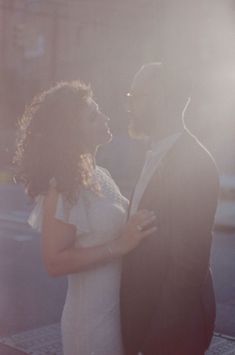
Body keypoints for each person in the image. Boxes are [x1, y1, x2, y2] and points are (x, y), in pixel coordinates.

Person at [13, 81, 157, 355]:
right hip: (92, 324)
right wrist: (120, 245)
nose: (104, 117)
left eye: (99, 110)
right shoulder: (64, 184)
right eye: (92, 116)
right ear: (73, 132)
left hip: (118, 315)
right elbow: (54, 261)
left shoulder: (100, 174)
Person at [120, 63, 219, 355]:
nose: (129, 105)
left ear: (158, 97)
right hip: (146, 323)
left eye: (133, 96)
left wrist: (153, 344)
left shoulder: (194, 163)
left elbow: (188, 267)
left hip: (171, 333)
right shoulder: (156, 152)